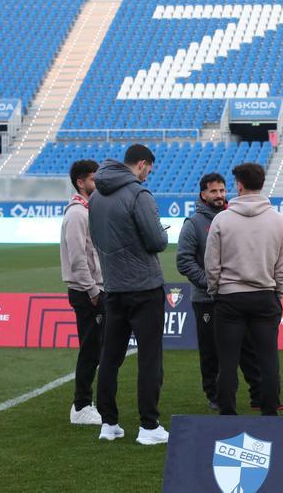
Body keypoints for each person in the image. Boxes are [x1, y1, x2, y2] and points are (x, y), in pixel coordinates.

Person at [89, 144, 169, 445]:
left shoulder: (95, 196)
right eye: (149, 168)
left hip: (114, 287)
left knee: (110, 356)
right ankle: (149, 426)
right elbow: (156, 241)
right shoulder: (139, 195)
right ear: (142, 164)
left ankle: (108, 423)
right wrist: (162, 233)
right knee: (149, 358)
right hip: (144, 287)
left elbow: (95, 238)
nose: (149, 174)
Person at [205, 163, 283, 416]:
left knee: (228, 361)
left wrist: (215, 290)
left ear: (239, 185)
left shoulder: (222, 219)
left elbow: (212, 263)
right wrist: (279, 292)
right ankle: (269, 411)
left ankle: (228, 412)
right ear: (261, 184)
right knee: (268, 359)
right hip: (265, 296)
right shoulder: (278, 220)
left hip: (229, 297)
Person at [176, 173, 265, 412]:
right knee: (210, 350)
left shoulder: (233, 217)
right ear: (203, 194)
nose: (219, 195)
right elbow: (184, 260)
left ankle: (258, 393)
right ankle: (214, 394)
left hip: (235, 296)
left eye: (223, 191)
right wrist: (209, 282)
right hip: (207, 299)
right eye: (214, 191)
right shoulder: (193, 223)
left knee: (247, 346)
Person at [61, 159, 105, 425]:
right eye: (93, 179)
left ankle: (85, 402)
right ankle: (81, 406)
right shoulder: (77, 214)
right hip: (87, 291)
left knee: (97, 348)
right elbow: (78, 259)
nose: (97, 183)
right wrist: (93, 291)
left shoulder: (87, 211)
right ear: (81, 182)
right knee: (90, 349)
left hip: (94, 288)